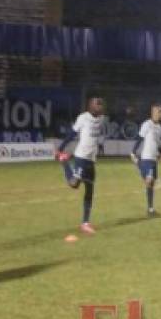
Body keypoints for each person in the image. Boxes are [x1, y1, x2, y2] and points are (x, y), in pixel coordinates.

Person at [57, 96, 108, 234]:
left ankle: (85, 223)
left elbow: (96, 137)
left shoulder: (102, 119)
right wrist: (61, 147)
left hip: (91, 160)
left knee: (90, 190)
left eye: (101, 105)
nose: (101, 107)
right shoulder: (83, 118)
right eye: (98, 105)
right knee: (74, 184)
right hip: (81, 157)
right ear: (90, 106)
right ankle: (64, 162)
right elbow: (73, 134)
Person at [131, 103, 161, 217]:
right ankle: (151, 210)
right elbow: (139, 138)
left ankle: (150, 209)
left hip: (153, 160)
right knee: (149, 179)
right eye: (158, 111)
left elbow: (157, 144)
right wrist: (133, 152)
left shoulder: (159, 128)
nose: (160, 113)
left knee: (151, 184)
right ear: (153, 113)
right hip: (146, 157)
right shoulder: (147, 124)